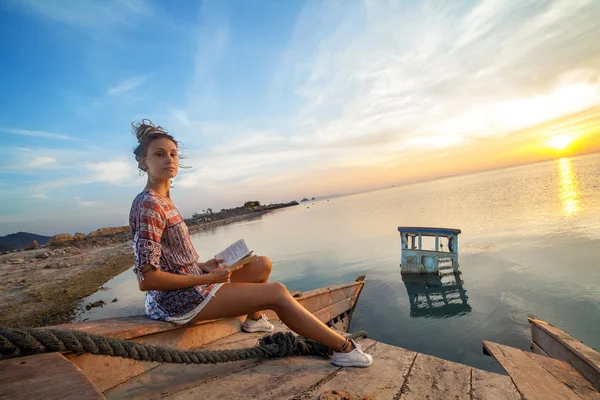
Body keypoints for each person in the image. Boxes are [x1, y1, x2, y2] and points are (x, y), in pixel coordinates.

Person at [129, 120, 373, 368]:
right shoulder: (150, 204)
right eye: (159, 154)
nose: (169, 160)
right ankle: (345, 349)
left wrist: (204, 266)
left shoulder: (164, 200)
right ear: (143, 162)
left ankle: (254, 320)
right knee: (276, 292)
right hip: (176, 302)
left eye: (173, 154)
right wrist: (208, 279)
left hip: (191, 285)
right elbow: (148, 279)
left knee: (261, 264)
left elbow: (169, 259)